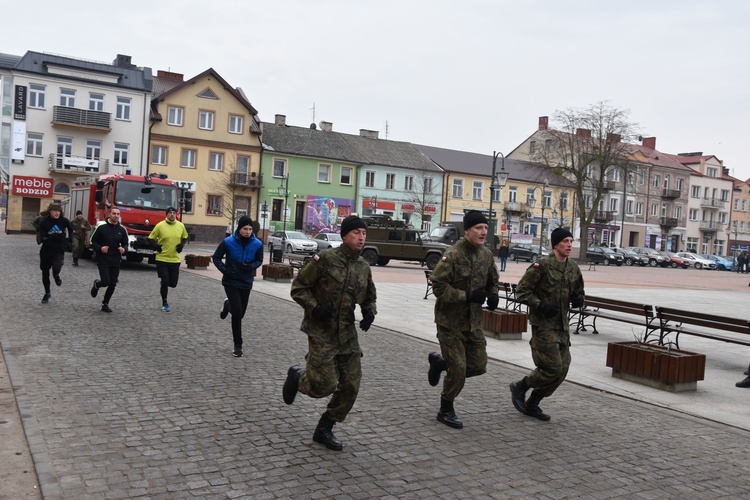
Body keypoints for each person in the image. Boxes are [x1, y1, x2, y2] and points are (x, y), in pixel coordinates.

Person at [282, 215, 377, 451]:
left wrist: (368, 311)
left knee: (351, 386)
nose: (361, 238)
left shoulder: (363, 266)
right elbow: (299, 288)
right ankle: (297, 377)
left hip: (347, 334)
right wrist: (315, 308)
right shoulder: (325, 259)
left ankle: (325, 428)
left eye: (364, 234)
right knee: (324, 385)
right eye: (356, 233)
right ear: (344, 235)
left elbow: (369, 296)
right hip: (321, 331)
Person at [426, 210, 499, 429]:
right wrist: (466, 296)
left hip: (473, 323)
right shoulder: (453, 254)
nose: (483, 232)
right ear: (467, 231)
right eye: (478, 228)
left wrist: (493, 294)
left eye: (485, 228)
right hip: (450, 322)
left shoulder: (486, 255)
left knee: (477, 366)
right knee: (458, 369)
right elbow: (437, 285)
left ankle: (440, 362)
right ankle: (445, 408)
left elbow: (493, 280)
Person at [509, 227, 585, 421]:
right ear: (555, 244)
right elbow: (522, 291)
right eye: (565, 241)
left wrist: (578, 299)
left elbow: (579, 291)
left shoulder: (573, 268)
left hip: (562, 326)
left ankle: (533, 402)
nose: (569, 245)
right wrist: (540, 305)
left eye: (570, 241)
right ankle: (521, 386)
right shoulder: (541, 266)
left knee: (563, 369)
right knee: (553, 367)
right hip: (543, 325)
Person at [211, 215, 264, 357]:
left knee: (240, 314)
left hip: (246, 282)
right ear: (239, 229)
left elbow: (259, 260)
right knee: (238, 313)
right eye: (245, 229)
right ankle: (238, 345)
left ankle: (227, 305)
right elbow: (216, 258)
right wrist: (225, 270)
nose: (248, 232)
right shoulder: (228, 242)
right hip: (231, 281)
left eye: (250, 229)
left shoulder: (257, 244)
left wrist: (251, 266)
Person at [148, 207, 188, 312]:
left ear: (176, 214)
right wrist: (156, 246)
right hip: (162, 258)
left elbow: (185, 237)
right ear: (166, 214)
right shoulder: (160, 225)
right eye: (170, 213)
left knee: (173, 283)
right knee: (165, 280)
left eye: (174, 213)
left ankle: (164, 284)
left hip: (174, 259)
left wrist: (181, 245)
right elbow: (151, 238)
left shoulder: (181, 225)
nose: (172, 214)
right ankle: (165, 302)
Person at [89, 208, 129, 313]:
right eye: (114, 213)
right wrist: (100, 248)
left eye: (118, 214)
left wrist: (124, 249)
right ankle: (97, 284)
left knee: (113, 283)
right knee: (106, 281)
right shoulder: (102, 228)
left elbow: (125, 243)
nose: (116, 216)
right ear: (109, 214)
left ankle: (105, 303)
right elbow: (92, 241)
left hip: (115, 259)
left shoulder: (122, 230)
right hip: (103, 259)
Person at [36, 203, 73, 304]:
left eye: (59, 211)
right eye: (55, 211)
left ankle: (56, 275)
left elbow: (70, 229)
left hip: (58, 250)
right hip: (46, 250)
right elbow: (42, 237)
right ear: (50, 211)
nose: (57, 213)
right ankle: (47, 293)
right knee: (45, 272)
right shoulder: (44, 222)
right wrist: (49, 238)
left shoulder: (64, 221)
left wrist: (70, 239)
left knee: (57, 267)